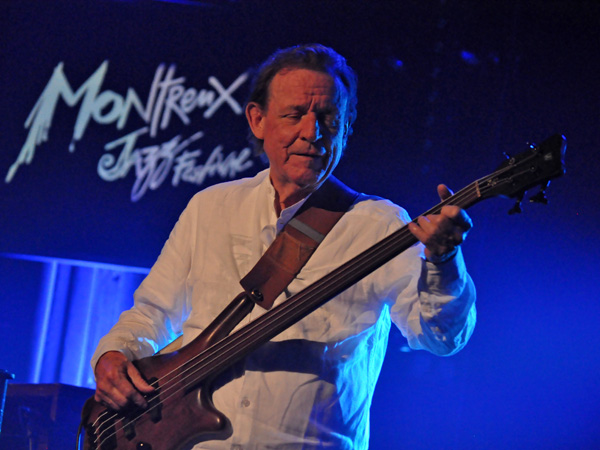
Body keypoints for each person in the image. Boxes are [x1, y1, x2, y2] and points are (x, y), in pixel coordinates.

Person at [91, 44, 476, 449]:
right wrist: (114, 354)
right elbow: (152, 313)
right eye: (294, 115)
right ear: (258, 120)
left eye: (328, 117)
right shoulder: (211, 207)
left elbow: (441, 338)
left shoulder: (380, 225)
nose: (312, 132)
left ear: (346, 127)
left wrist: (444, 262)